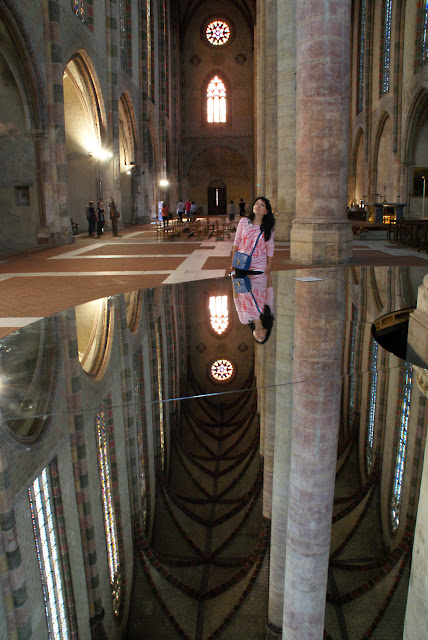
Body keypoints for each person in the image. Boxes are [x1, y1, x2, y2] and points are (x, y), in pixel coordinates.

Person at [230, 196, 275, 273]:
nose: (258, 206)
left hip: (259, 267)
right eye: (256, 203)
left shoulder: (268, 228)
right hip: (241, 264)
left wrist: (268, 266)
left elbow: (270, 248)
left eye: (262, 205)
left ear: (266, 211)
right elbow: (236, 242)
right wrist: (234, 261)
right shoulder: (244, 221)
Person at [232, 272, 274, 344]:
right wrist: (268, 275)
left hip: (242, 283)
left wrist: (234, 282)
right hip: (259, 280)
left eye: (257, 338)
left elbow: (236, 301)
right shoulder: (267, 313)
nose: (258, 336)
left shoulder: (244, 320)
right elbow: (270, 293)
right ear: (265, 331)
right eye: (262, 337)